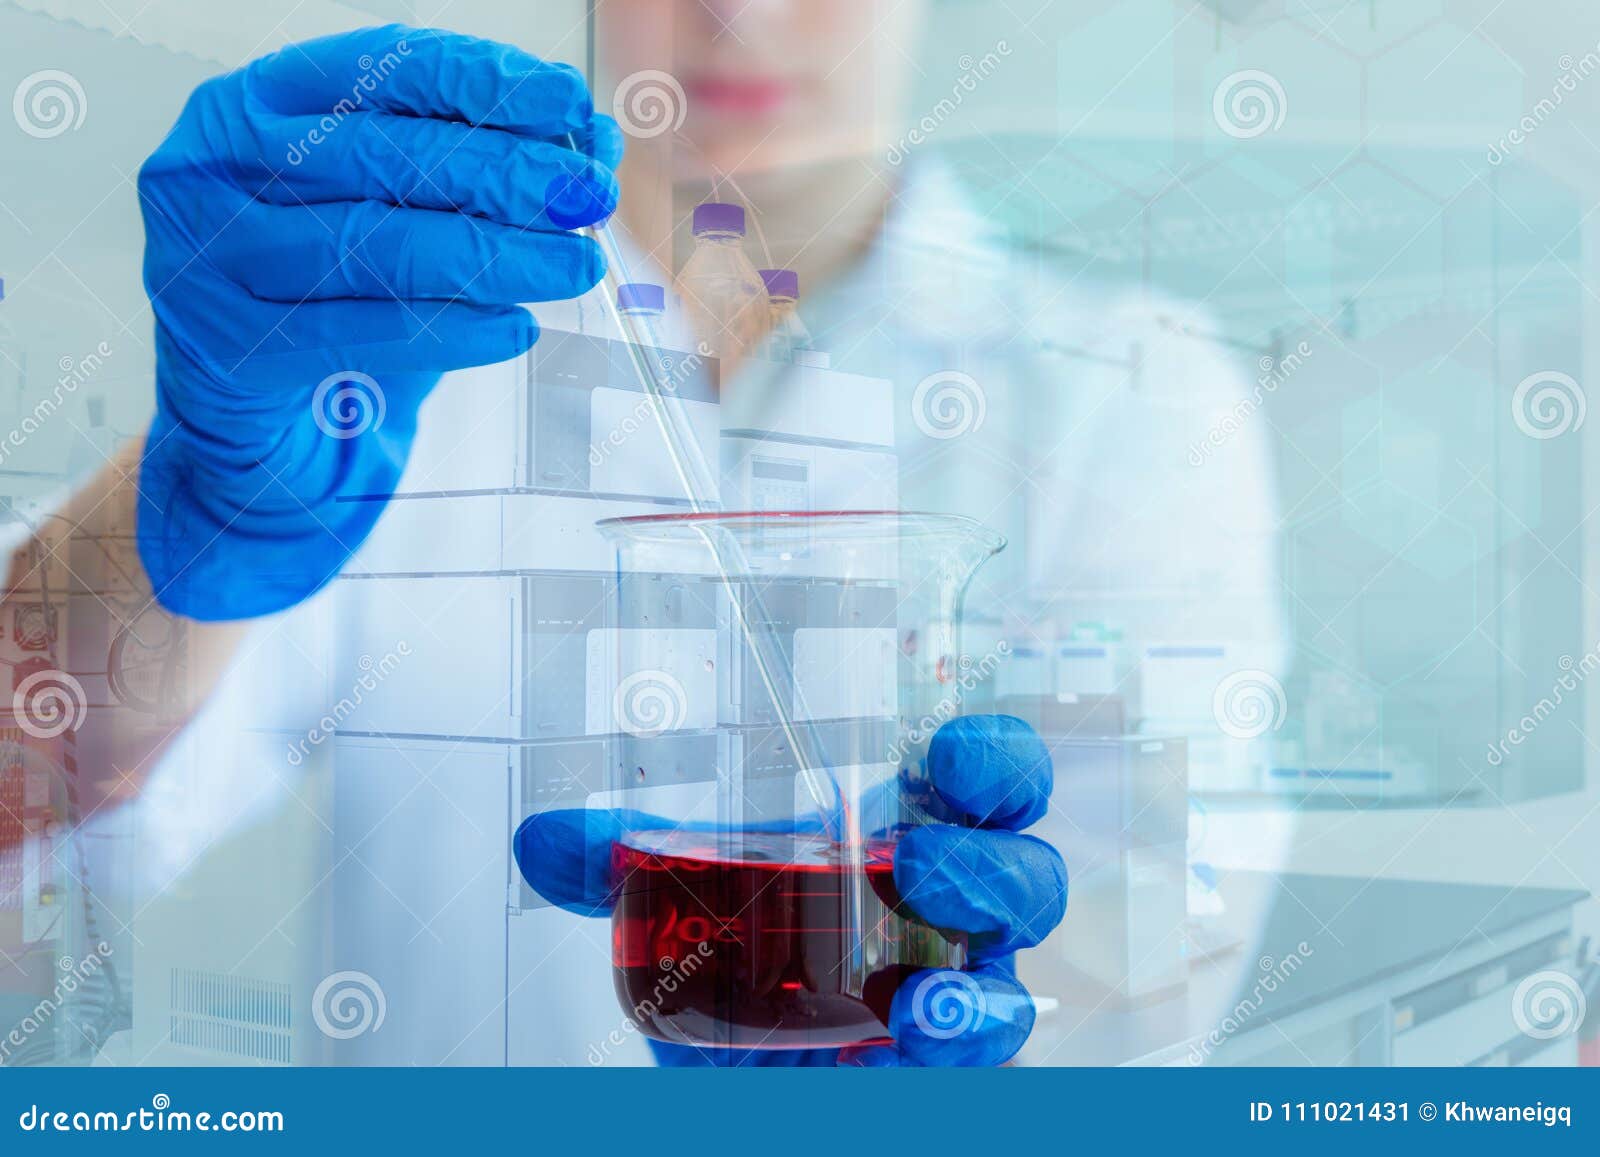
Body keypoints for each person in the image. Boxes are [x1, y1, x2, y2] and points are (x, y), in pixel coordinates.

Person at [1, 3, 1282, 1067]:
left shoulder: (1128, 385)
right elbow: (34, 791)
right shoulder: (400, 348)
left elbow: (1170, 920)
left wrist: (1008, 1030)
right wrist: (202, 507)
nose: (740, 13)